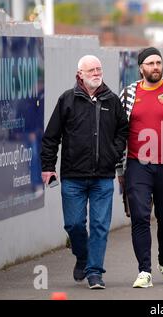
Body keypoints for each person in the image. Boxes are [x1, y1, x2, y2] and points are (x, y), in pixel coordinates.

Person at [41, 55, 129, 289]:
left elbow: (123, 130)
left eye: (99, 69)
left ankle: (95, 272)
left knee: (100, 225)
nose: (96, 73)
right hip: (73, 177)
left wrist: (113, 152)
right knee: (74, 225)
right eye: (91, 70)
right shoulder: (67, 100)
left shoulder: (112, 99)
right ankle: (82, 256)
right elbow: (51, 137)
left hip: (103, 177)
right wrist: (48, 167)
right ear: (79, 73)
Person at [118, 47, 163, 288]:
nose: (155, 67)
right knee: (140, 216)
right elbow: (119, 133)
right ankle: (144, 270)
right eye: (150, 63)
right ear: (141, 68)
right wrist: (120, 171)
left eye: (158, 62)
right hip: (137, 164)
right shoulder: (129, 93)